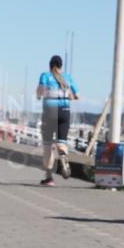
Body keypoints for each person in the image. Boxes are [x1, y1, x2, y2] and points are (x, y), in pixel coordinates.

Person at [36, 55, 78, 186]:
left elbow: (40, 92)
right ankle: (64, 157)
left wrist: (39, 95)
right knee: (61, 142)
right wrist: (66, 96)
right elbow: (76, 96)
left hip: (49, 112)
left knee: (48, 146)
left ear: (50, 65)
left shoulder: (45, 76)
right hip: (65, 112)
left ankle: (49, 178)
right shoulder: (68, 77)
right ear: (61, 66)